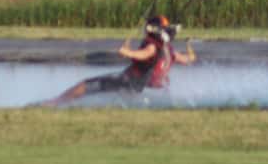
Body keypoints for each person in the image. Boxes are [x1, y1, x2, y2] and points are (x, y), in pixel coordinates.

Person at [41, 15, 196, 107]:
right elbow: (188, 59)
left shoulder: (153, 46)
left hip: (128, 81)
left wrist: (127, 52)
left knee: (86, 85)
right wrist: (191, 52)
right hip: (140, 85)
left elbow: (145, 54)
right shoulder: (170, 50)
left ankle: (55, 103)